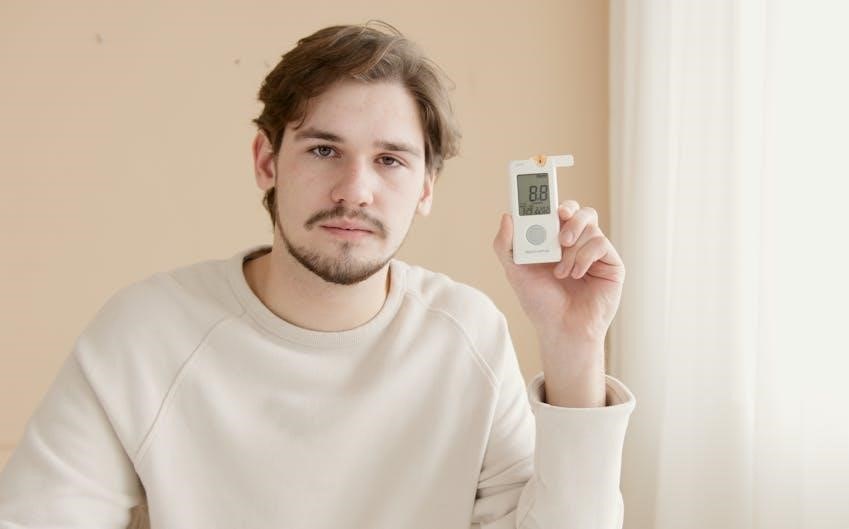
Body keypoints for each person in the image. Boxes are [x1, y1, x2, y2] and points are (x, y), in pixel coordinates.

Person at [0, 21, 636, 529]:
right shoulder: (145, 333)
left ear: (425, 188)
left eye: (390, 160)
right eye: (324, 149)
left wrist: (574, 343)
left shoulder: (468, 334)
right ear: (267, 161)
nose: (354, 190)